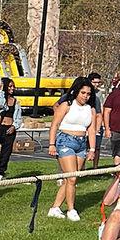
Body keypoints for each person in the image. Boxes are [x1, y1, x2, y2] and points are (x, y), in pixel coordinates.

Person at [46, 82, 99, 222]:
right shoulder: (67, 105)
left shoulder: (91, 109)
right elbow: (54, 125)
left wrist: (92, 149)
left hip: (81, 144)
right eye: (83, 93)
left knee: (69, 179)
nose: (86, 96)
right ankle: (71, 209)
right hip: (65, 141)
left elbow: (92, 130)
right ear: (76, 92)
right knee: (72, 178)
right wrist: (51, 144)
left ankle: (55, 208)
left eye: (88, 94)